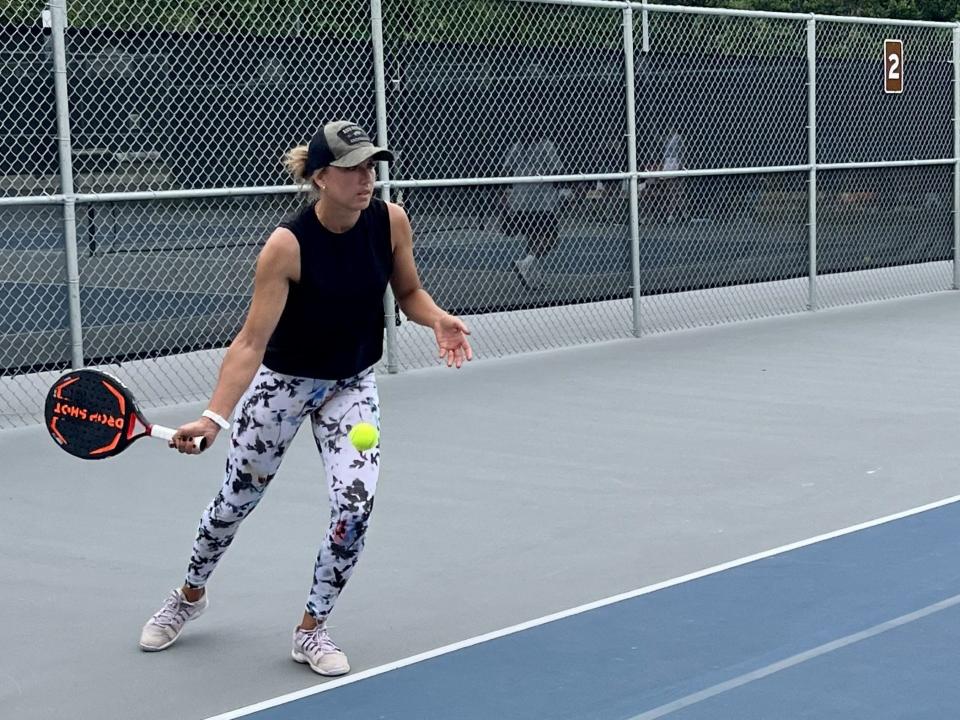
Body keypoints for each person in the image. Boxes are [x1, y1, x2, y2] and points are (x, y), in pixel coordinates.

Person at [137, 120, 473, 676]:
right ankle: (189, 595)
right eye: (353, 168)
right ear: (321, 177)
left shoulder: (390, 221)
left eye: (371, 165)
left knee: (354, 510)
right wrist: (213, 417)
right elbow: (250, 341)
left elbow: (408, 291)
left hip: (351, 386)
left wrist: (436, 320)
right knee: (233, 503)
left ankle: (311, 629)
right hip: (284, 385)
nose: (368, 178)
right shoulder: (286, 245)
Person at [501, 128, 563, 289]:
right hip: (543, 202)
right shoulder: (545, 146)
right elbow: (557, 170)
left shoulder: (517, 147)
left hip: (521, 201)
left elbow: (506, 170)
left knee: (533, 236)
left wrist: (507, 191)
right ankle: (526, 263)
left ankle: (534, 278)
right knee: (551, 238)